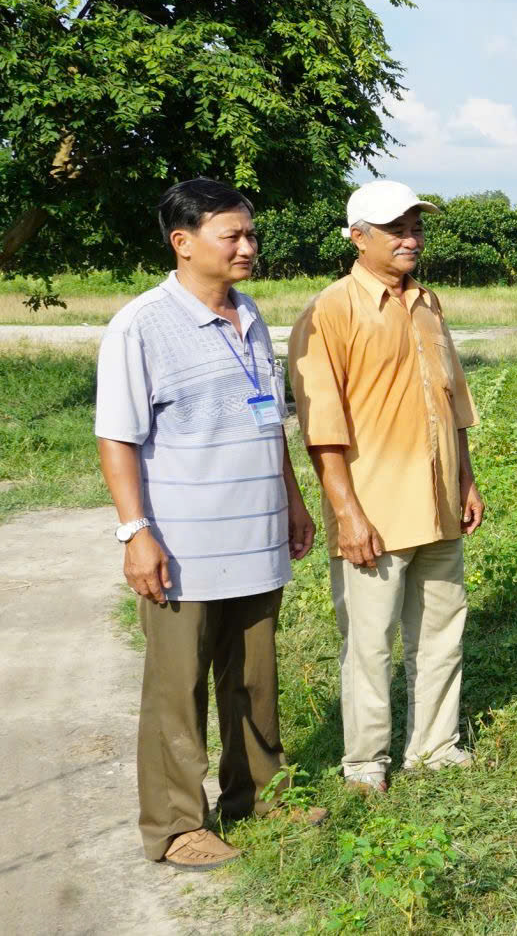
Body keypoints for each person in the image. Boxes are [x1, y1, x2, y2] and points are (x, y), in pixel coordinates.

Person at [95, 178, 323, 870]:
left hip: (253, 536)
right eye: (234, 235)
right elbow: (117, 438)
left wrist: (291, 497)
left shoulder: (250, 314)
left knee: (254, 678)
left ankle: (256, 791)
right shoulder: (141, 325)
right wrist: (136, 531)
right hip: (183, 547)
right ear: (183, 241)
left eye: (251, 233)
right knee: (177, 685)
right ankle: (174, 825)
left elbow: (269, 419)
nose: (249, 246)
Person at [288, 180, 484, 795]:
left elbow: (451, 404)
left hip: (439, 505)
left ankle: (433, 745)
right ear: (357, 236)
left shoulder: (428, 303)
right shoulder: (330, 312)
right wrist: (347, 513)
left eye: (415, 225)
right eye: (394, 227)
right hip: (374, 510)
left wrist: (466, 478)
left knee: (441, 630)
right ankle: (366, 762)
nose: (409, 237)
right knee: (369, 644)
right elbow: (323, 428)